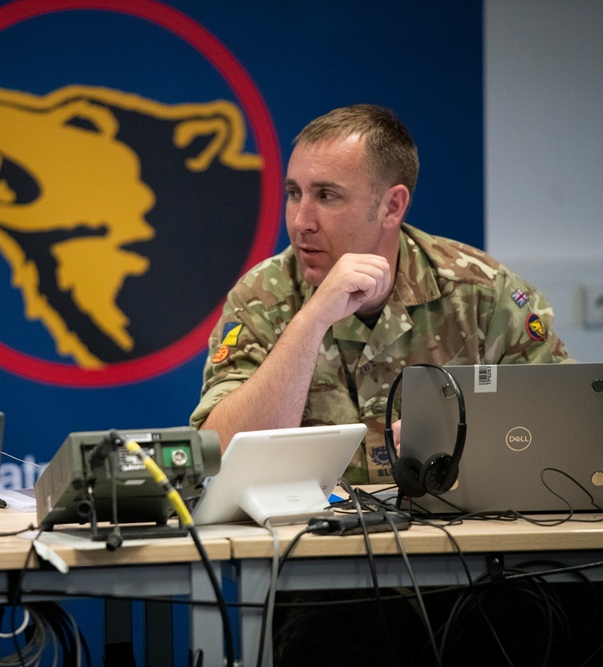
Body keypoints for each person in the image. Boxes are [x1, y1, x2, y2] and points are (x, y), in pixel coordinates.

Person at [190, 104, 570, 484]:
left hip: (456, 535)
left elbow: (570, 423)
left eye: (326, 196)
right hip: (311, 540)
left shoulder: (481, 293)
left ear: (392, 206)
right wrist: (310, 321)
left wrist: (469, 437)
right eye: (294, 193)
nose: (301, 221)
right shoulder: (263, 296)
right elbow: (217, 455)